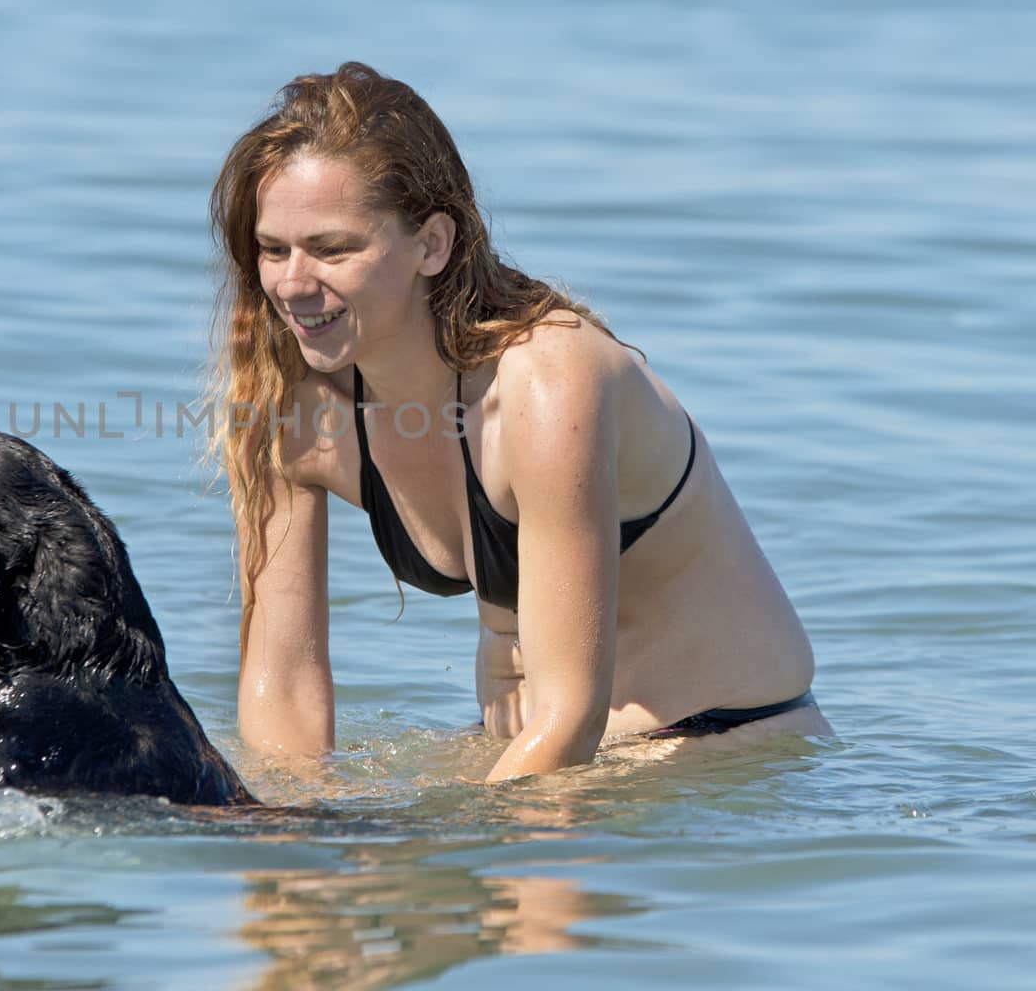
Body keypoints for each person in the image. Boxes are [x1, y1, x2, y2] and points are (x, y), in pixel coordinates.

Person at [205, 62, 829, 782]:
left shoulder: (547, 384)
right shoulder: (294, 398)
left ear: (432, 245)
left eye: (333, 248)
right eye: (274, 249)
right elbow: (282, 687)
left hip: (717, 756)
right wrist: (293, 827)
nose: (292, 282)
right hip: (526, 757)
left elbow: (572, 713)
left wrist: (475, 828)